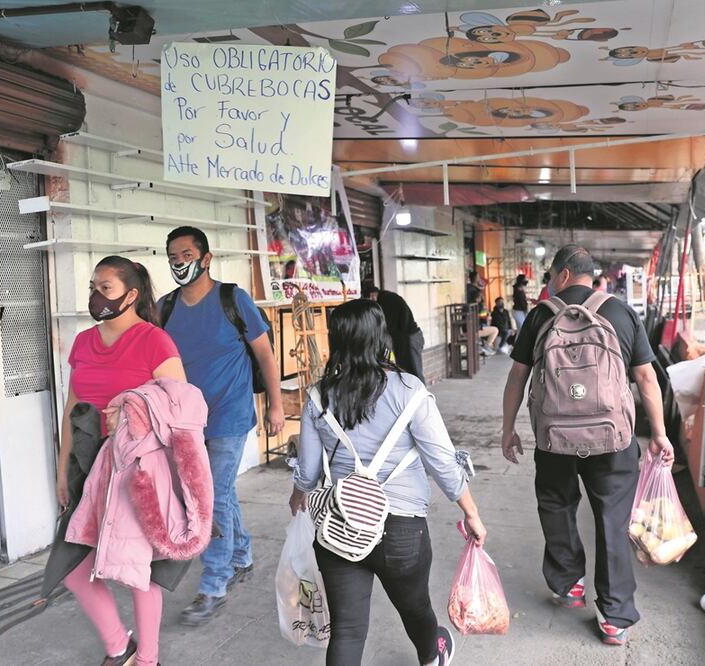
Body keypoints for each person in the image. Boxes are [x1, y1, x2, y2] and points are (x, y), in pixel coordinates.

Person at [289, 299, 487, 666]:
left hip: (338, 525)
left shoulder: (318, 396)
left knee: (347, 629)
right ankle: (432, 654)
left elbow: (308, 471)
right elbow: (442, 462)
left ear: (337, 338)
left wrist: (297, 496)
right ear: (382, 336)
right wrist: (471, 513)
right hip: (402, 530)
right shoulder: (409, 390)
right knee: (415, 607)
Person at [498, 245, 674, 647]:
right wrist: (659, 433)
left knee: (557, 504)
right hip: (612, 439)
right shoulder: (621, 312)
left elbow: (516, 379)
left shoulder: (542, 314)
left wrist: (508, 428)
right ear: (590, 275)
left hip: (554, 438)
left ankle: (568, 585)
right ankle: (614, 618)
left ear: (560, 275)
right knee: (612, 518)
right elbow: (647, 380)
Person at [56, 256, 186, 666]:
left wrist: (132, 411)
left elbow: (180, 412)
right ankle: (118, 644)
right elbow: (71, 410)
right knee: (71, 565)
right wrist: (62, 470)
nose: (96, 296)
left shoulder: (154, 341)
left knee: (138, 568)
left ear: (131, 295)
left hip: (135, 468)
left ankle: (146, 659)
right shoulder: (83, 342)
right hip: (86, 463)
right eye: (93, 287)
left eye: (105, 288)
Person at [160, 226, 284, 626]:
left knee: (209, 498)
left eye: (186, 253)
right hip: (187, 421)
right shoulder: (164, 308)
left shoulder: (233, 299)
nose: (179, 261)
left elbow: (265, 355)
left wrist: (276, 407)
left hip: (230, 415)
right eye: (172, 255)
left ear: (206, 257)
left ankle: (214, 583)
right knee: (221, 492)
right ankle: (241, 553)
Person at [362, 283, 425, 382]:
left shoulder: (387, 301)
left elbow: (389, 326)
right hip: (405, 338)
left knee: (414, 372)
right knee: (407, 370)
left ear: (373, 295)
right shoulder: (386, 298)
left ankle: (421, 395)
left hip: (410, 337)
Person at [466, 271, 499, 355]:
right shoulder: (475, 305)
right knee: (495, 330)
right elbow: (481, 313)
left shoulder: (469, 289)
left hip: (475, 326)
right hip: (474, 329)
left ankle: (484, 347)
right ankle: (486, 347)